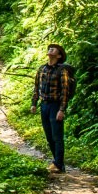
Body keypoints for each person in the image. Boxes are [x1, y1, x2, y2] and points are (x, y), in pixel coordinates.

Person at [31, 43, 71, 173]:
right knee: (49, 136)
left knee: (57, 135)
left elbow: (65, 91)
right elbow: (36, 87)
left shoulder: (62, 71)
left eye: (53, 49)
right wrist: (34, 103)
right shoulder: (42, 69)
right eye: (49, 48)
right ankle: (58, 163)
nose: (50, 50)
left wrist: (62, 109)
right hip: (44, 105)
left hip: (55, 106)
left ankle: (58, 164)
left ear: (59, 55)